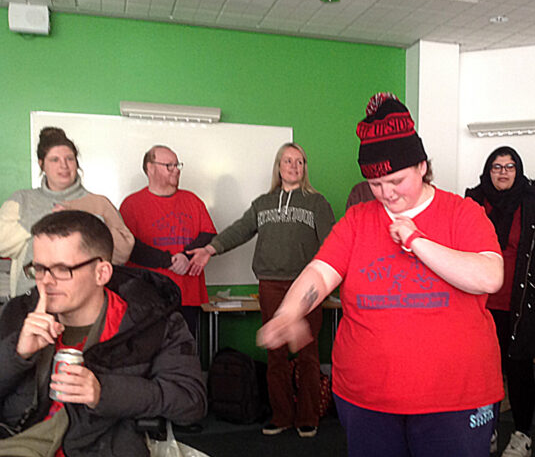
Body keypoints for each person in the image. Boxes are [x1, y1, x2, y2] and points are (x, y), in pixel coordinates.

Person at [257, 93, 504, 457]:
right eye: (375, 185)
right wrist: (288, 312)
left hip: (455, 398)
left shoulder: (462, 213)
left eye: (397, 181)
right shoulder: (358, 220)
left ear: (422, 166)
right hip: (369, 400)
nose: (386, 194)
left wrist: (416, 240)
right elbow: (320, 272)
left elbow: (488, 277)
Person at [0, 210, 206, 457]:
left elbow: (191, 402)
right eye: (39, 268)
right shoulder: (20, 314)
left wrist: (103, 392)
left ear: (102, 272)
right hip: (20, 453)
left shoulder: (151, 323)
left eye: (62, 269)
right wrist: (18, 354)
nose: (46, 282)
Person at [188, 142, 335, 438]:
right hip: (269, 285)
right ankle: (281, 416)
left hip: (306, 288)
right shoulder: (263, 203)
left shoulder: (317, 203)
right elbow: (240, 230)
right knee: (276, 354)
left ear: (305, 168)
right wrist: (210, 249)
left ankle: (308, 417)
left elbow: (332, 245)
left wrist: (325, 284)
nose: (294, 166)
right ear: (278, 166)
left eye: (300, 161)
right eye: (288, 161)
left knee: (307, 353)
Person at [465, 146, 535, 457]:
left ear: (518, 170)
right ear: (488, 170)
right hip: (479, 304)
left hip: (522, 303)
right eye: (496, 167)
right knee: (483, 370)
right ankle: (488, 429)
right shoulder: (472, 201)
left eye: (509, 167)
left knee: (520, 370)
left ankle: (522, 435)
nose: (503, 172)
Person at [0, 127, 134, 298]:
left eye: (69, 159)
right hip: (31, 298)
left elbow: (122, 253)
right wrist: (47, 221)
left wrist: (85, 222)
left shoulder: (99, 203)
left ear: (76, 163)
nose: (63, 165)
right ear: (42, 164)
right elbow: (2, 243)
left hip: (84, 301)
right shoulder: (22, 199)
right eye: (55, 159)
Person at [119, 145, 217, 337]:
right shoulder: (131, 205)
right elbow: (129, 247)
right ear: (150, 168)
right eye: (169, 165)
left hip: (187, 295)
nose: (176, 169)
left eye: (177, 164)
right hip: (148, 298)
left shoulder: (192, 200)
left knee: (184, 354)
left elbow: (208, 235)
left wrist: (185, 257)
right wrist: (169, 261)